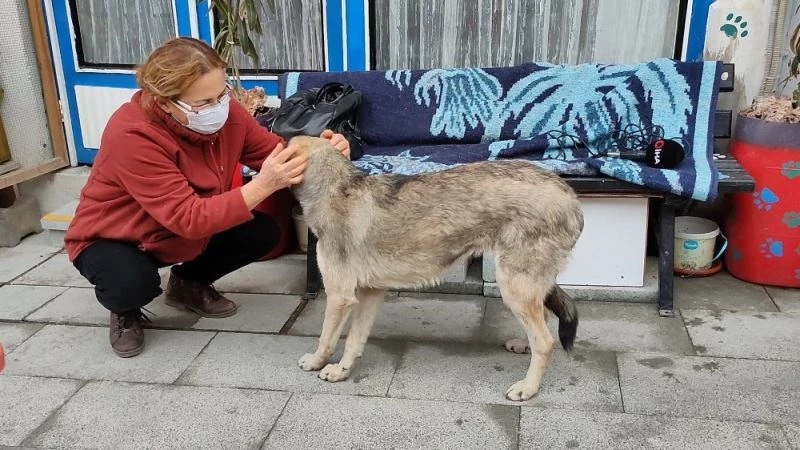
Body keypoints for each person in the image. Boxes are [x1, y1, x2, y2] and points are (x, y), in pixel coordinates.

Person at [64, 37, 350, 358]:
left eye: (221, 94)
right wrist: (265, 184)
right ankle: (125, 310)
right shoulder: (132, 134)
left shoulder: (227, 115)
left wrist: (324, 154)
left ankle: (188, 283)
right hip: (116, 237)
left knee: (263, 231)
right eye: (203, 103)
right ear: (163, 101)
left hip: (177, 231)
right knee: (132, 284)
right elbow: (189, 219)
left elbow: (275, 155)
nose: (218, 108)